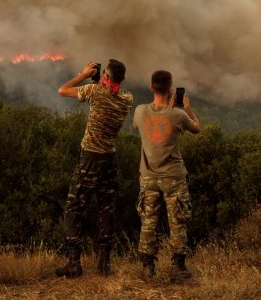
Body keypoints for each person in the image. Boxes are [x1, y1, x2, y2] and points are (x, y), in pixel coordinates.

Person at [55, 59, 134, 278]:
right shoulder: (127, 99)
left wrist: (83, 74)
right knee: (106, 210)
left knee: (73, 209)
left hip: (90, 157)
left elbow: (62, 90)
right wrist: (100, 78)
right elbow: (111, 89)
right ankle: (104, 265)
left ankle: (74, 265)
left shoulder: (94, 92)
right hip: (110, 158)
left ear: (107, 78)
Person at [132, 70, 200, 283]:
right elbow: (196, 128)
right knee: (177, 222)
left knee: (148, 221)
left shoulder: (140, 111)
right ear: (171, 90)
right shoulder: (178, 115)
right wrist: (187, 108)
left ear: (151, 87)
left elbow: (143, 126)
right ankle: (178, 268)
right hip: (173, 177)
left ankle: (147, 266)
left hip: (148, 176)